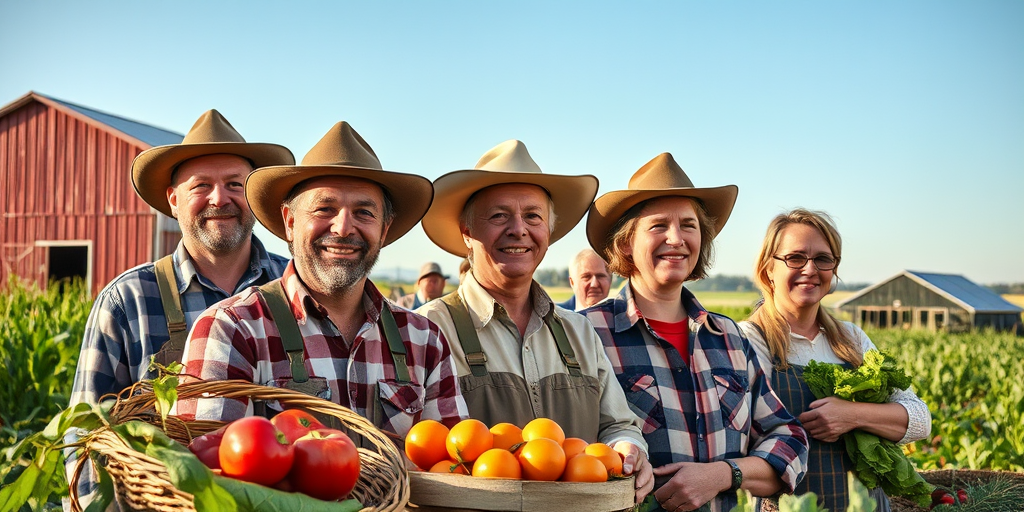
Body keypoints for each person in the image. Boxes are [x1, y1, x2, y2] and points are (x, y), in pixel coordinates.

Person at [175, 121, 468, 439]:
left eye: (364, 213)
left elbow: (452, 460)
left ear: (384, 230)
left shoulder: (424, 340)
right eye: (325, 209)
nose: (343, 228)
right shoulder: (233, 329)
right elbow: (206, 463)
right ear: (290, 223)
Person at [65, 109, 294, 509]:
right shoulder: (129, 300)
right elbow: (85, 435)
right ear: (173, 201)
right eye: (201, 186)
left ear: (255, 199)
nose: (219, 198)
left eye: (235, 184)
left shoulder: (295, 290)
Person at [417, 140, 653, 504]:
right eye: (499, 216)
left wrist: (629, 447)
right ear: (467, 231)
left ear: (549, 231)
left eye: (533, 216)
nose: (518, 229)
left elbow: (618, 425)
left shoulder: (578, 331)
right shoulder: (429, 330)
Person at [583, 153, 808, 512]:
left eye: (688, 225)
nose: (676, 238)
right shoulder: (587, 333)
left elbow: (789, 438)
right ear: (626, 243)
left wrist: (724, 475)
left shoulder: (729, 337)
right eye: (658, 225)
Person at [738, 209, 931, 512]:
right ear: (768, 269)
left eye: (823, 259)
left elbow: (920, 420)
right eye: (795, 258)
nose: (810, 269)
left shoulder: (851, 338)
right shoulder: (749, 340)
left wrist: (852, 415)